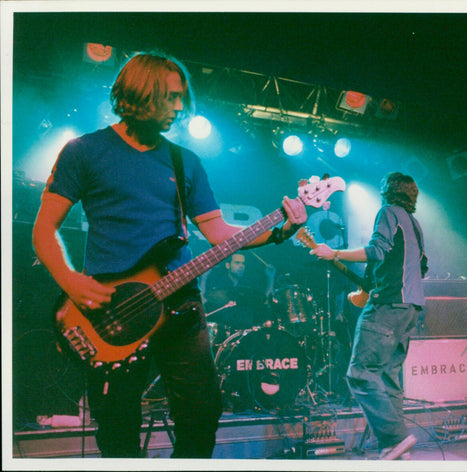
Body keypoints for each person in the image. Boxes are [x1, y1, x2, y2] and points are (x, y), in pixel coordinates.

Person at [31, 52, 307, 458]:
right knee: (117, 427)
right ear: (140, 94)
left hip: (180, 303)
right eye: (171, 97)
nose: (180, 107)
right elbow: (43, 229)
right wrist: (70, 279)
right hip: (113, 311)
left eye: (182, 98)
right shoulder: (84, 151)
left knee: (203, 414)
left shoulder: (184, 161)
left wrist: (281, 232)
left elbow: (218, 234)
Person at [310, 172, 427, 460]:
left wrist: (334, 252)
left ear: (386, 191)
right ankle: (395, 449)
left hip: (389, 304)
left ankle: (396, 438)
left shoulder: (388, 212)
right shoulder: (415, 223)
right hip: (411, 308)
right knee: (389, 378)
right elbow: (422, 266)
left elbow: (377, 251)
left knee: (360, 374)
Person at [203, 252, 272, 330]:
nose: (241, 266)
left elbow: (264, 301)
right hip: (223, 329)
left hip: (245, 330)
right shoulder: (218, 283)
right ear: (227, 265)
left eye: (243, 263)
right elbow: (205, 301)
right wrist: (204, 275)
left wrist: (270, 278)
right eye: (237, 263)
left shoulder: (248, 285)